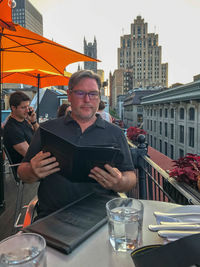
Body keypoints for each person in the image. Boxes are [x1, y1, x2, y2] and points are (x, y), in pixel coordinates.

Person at [18, 70, 136, 220]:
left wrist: (120, 182)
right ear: (69, 95)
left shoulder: (115, 133)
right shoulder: (47, 129)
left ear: (99, 97)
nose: (87, 99)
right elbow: (22, 172)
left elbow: (130, 176)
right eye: (80, 93)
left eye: (93, 94)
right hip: (52, 217)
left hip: (99, 217)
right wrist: (32, 171)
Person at [3, 91, 39, 167]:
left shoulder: (24, 121)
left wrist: (34, 122)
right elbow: (30, 155)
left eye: (28, 106)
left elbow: (41, 135)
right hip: (27, 169)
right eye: (23, 107)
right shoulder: (12, 129)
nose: (27, 110)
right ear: (13, 108)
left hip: (35, 163)